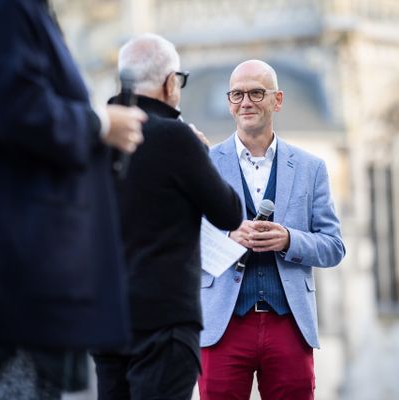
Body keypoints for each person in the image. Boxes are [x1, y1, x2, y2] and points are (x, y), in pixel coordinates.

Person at [0, 0, 146, 398]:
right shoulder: (6, 7)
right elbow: (17, 109)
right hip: (8, 274)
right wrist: (101, 124)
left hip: (11, 271)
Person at [91, 33, 243, 400]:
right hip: (164, 323)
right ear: (170, 83)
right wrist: (200, 154)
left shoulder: (95, 137)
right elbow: (229, 213)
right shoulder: (175, 137)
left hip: (105, 315)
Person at [198, 60, 346, 400]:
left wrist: (289, 239)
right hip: (223, 324)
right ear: (228, 102)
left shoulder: (311, 168)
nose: (245, 102)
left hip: (289, 324)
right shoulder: (204, 163)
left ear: (277, 100)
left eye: (256, 93)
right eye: (237, 94)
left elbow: (334, 246)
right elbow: (183, 241)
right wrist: (228, 239)